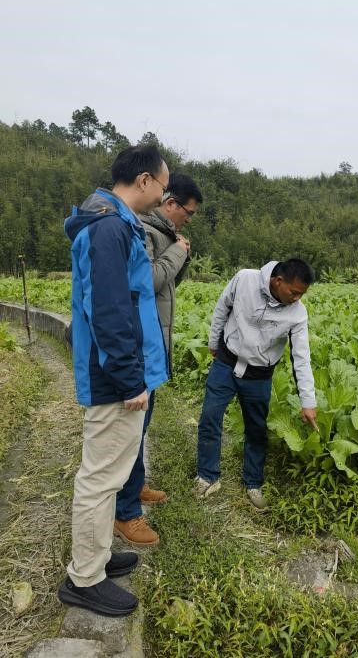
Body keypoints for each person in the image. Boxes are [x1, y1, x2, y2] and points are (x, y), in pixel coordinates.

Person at [58, 145, 170, 617]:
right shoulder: (109, 228)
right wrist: (129, 380)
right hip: (113, 379)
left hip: (117, 373)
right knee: (100, 479)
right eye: (163, 187)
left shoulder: (114, 223)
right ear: (144, 180)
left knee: (110, 475)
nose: (163, 197)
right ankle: (84, 580)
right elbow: (109, 310)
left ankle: (99, 557)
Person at [114, 173, 203, 547]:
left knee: (142, 427)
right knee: (130, 432)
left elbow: (168, 284)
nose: (189, 219)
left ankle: (135, 486)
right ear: (170, 203)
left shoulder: (164, 235)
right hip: (139, 347)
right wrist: (178, 251)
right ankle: (125, 512)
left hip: (152, 347)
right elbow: (148, 281)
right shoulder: (146, 232)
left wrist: (180, 252)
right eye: (188, 212)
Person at [195, 259, 318, 511]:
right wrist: (214, 342)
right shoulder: (245, 279)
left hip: (259, 375)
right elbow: (222, 307)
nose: (297, 299)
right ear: (278, 281)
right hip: (227, 362)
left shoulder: (297, 313)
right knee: (210, 417)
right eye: (294, 292)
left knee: (256, 429)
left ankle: (253, 482)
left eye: (302, 294)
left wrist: (308, 402)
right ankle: (207, 476)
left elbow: (301, 357)